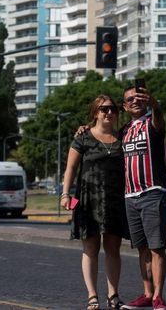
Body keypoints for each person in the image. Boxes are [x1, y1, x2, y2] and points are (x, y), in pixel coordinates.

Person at [61, 94, 129, 310]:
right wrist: (65, 194)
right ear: (95, 114)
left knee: (113, 248)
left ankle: (113, 295)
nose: (110, 112)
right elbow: (70, 168)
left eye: (113, 109)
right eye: (104, 109)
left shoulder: (123, 137)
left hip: (115, 200)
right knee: (90, 247)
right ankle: (92, 296)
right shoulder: (83, 137)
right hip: (88, 199)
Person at [119, 84, 166, 310]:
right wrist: (84, 128)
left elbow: (158, 115)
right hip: (131, 196)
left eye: (139, 98)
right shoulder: (124, 130)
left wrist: (154, 103)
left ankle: (159, 296)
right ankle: (147, 293)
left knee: (156, 247)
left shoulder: (153, 123)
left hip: (153, 193)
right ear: (124, 106)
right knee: (141, 248)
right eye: (130, 99)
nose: (135, 101)